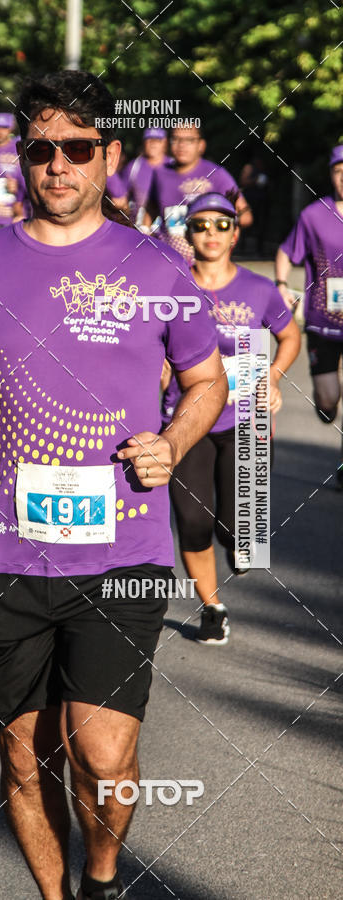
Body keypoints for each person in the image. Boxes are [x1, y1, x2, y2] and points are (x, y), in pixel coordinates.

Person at [0, 70, 227, 900]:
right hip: (3, 549)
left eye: (78, 148)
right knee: (21, 749)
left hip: (120, 546)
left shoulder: (155, 264)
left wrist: (171, 440)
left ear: (110, 156)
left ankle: (101, 876)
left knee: (101, 752)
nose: (58, 164)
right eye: (42, 148)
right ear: (22, 158)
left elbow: (206, 382)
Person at [163, 193, 300, 644]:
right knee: (192, 519)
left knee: (235, 526)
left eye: (222, 224)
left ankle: (241, 541)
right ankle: (212, 606)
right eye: (200, 225)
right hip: (187, 418)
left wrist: (274, 379)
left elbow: (289, 336)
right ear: (189, 234)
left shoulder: (259, 289)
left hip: (246, 421)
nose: (211, 233)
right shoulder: (172, 286)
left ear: (235, 233)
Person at [276, 145, 343, 488]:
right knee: (328, 402)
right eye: (338, 170)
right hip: (323, 322)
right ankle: (326, 405)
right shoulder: (314, 216)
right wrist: (282, 284)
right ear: (331, 174)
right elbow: (287, 252)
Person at [145, 124, 252, 262]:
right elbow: (150, 212)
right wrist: (144, 234)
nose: (181, 145)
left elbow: (245, 216)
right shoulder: (160, 174)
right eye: (176, 139)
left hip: (203, 263)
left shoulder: (216, 174)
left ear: (201, 145)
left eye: (189, 140)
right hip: (168, 260)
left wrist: (216, 228)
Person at [110, 127, 169, 228]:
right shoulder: (134, 167)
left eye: (157, 140)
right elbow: (120, 200)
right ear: (143, 143)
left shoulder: (174, 166)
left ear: (165, 143)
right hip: (139, 228)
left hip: (168, 231)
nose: (153, 144)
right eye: (149, 140)